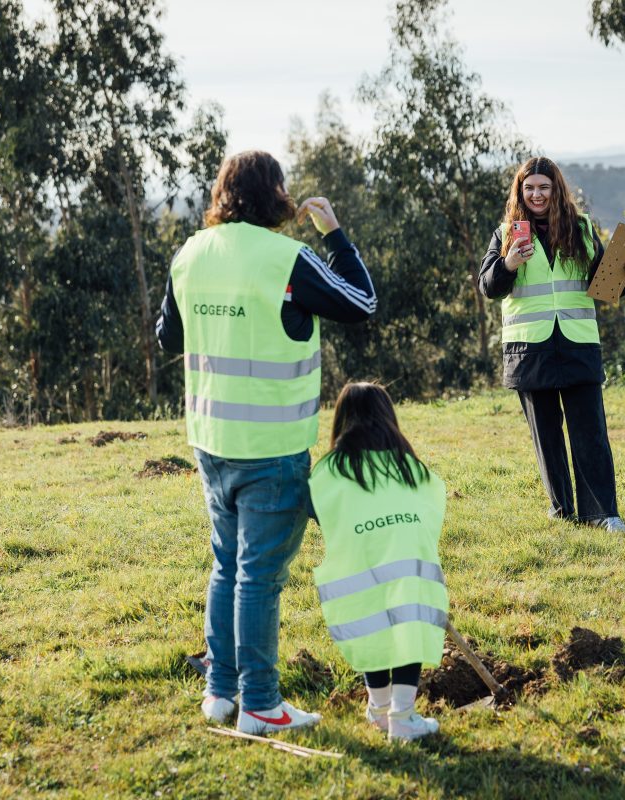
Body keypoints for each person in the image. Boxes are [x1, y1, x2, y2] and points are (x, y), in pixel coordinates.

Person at [156, 150, 377, 735]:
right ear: (275, 192)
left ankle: (220, 693)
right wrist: (335, 235)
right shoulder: (288, 258)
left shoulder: (189, 253)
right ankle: (260, 704)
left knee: (227, 566)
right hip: (271, 443)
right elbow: (362, 302)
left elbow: (165, 337)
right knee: (258, 576)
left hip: (210, 440)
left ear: (223, 193)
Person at [478, 157, 625, 531]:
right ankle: (563, 510)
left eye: (544, 187)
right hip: (529, 350)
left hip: (577, 343)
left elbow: (605, 284)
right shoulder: (505, 234)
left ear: (556, 191)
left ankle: (603, 513)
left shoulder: (581, 229)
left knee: (591, 433)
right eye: (530, 188)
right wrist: (509, 263)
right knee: (547, 436)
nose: (537, 194)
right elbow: (488, 286)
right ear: (521, 191)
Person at [308, 382, 448, 742]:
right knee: (408, 628)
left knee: (371, 627)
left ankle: (381, 710)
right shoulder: (410, 467)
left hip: (358, 573)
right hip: (409, 570)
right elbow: (433, 506)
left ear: (341, 420)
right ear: (389, 417)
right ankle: (400, 715)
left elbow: (318, 510)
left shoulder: (331, 469)